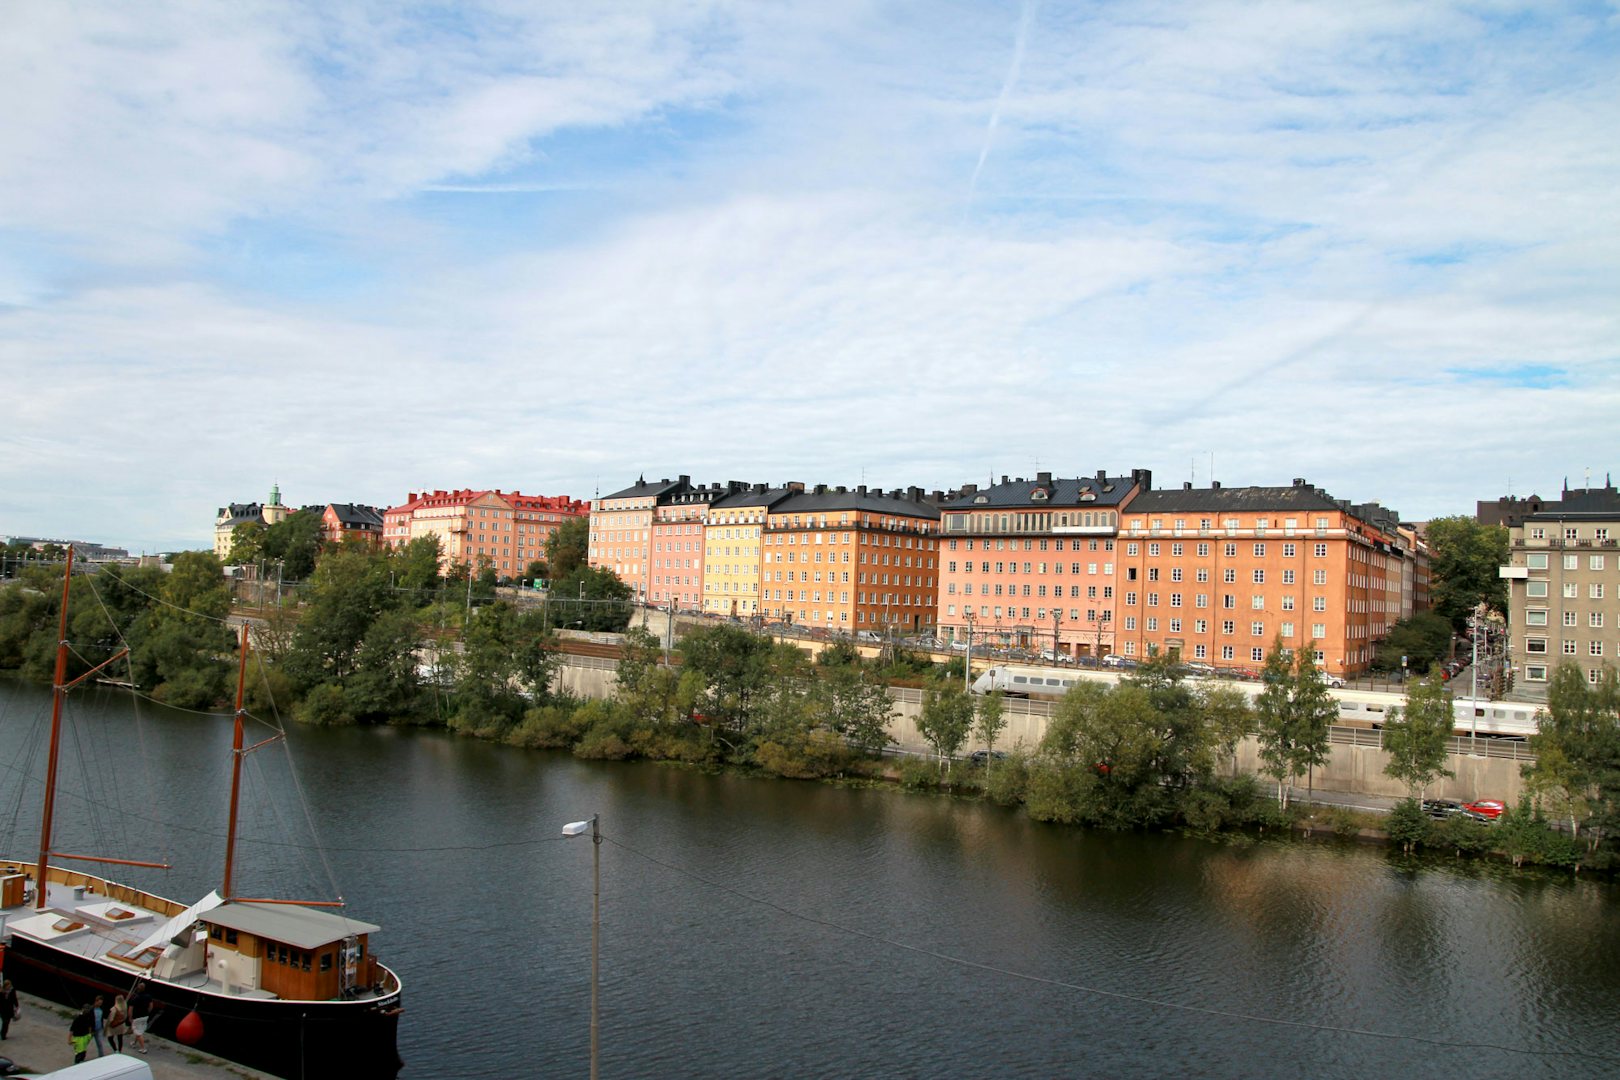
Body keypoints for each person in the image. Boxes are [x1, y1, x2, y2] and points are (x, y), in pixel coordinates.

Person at [127, 982, 152, 1055]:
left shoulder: (135, 998)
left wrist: (130, 1018)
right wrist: (147, 1012)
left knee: (138, 1032)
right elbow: (151, 1006)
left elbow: (130, 1009)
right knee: (139, 1030)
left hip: (137, 1017)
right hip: (145, 1016)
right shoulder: (148, 996)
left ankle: (143, 1048)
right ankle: (134, 1042)